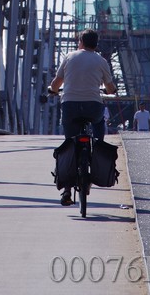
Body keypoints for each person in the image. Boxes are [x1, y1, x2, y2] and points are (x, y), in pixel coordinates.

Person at [48, 29, 117, 206]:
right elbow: (110, 88)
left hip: (70, 105)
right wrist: (111, 90)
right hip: (93, 106)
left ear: (81, 42)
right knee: (99, 124)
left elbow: (56, 83)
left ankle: (67, 190)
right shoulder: (101, 61)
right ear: (96, 44)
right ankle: (97, 150)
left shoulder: (69, 57)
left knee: (70, 143)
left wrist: (52, 90)